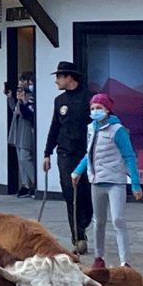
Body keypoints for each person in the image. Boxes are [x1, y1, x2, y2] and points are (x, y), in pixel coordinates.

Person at [71, 94, 142, 269]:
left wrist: (135, 183)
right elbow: (89, 154)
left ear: (107, 109)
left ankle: (125, 261)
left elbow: (129, 156)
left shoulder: (117, 130)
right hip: (96, 181)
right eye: (92, 108)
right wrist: (78, 170)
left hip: (115, 181)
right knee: (99, 221)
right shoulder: (91, 129)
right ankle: (98, 256)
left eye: (99, 108)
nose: (95, 111)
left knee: (118, 219)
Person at [43, 61, 93, 253]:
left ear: (69, 77)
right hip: (65, 153)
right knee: (69, 194)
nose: (56, 81)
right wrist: (47, 153)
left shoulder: (89, 98)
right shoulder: (59, 101)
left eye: (59, 77)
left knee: (86, 194)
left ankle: (85, 221)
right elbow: (54, 127)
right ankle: (78, 237)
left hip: (86, 153)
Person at [6, 79, 37, 197]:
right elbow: (16, 110)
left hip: (27, 131)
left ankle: (34, 182)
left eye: (22, 82)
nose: (19, 87)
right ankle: (26, 184)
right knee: (20, 159)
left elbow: (29, 114)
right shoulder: (21, 99)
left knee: (25, 157)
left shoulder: (32, 97)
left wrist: (24, 101)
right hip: (18, 131)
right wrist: (11, 98)